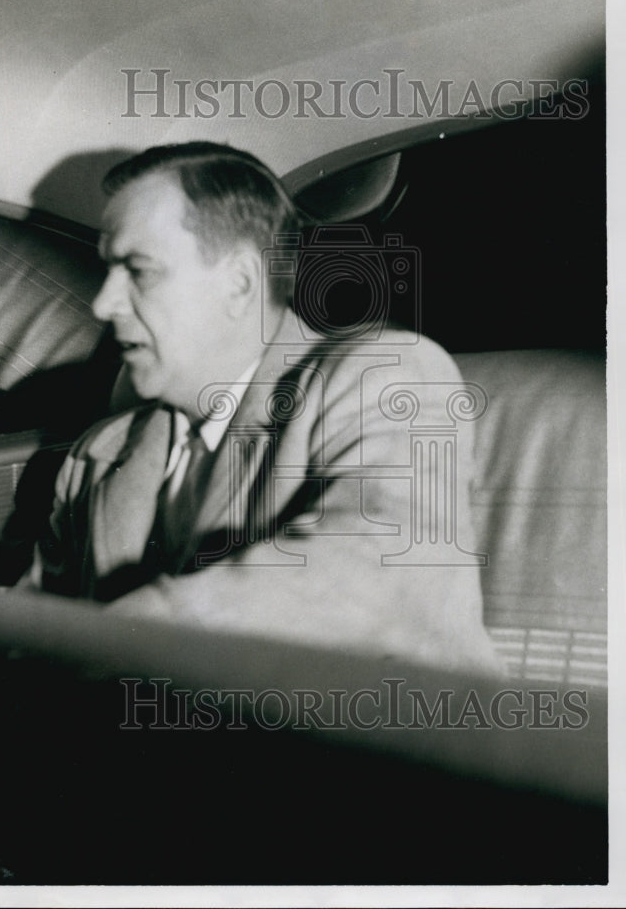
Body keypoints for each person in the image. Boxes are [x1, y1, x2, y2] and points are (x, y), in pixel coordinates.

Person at [25, 141, 501, 675]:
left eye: (138, 270)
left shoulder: (386, 376)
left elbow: (390, 571)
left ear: (240, 282)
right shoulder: (97, 455)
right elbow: (26, 640)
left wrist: (131, 635)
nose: (103, 303)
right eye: (107, 271)